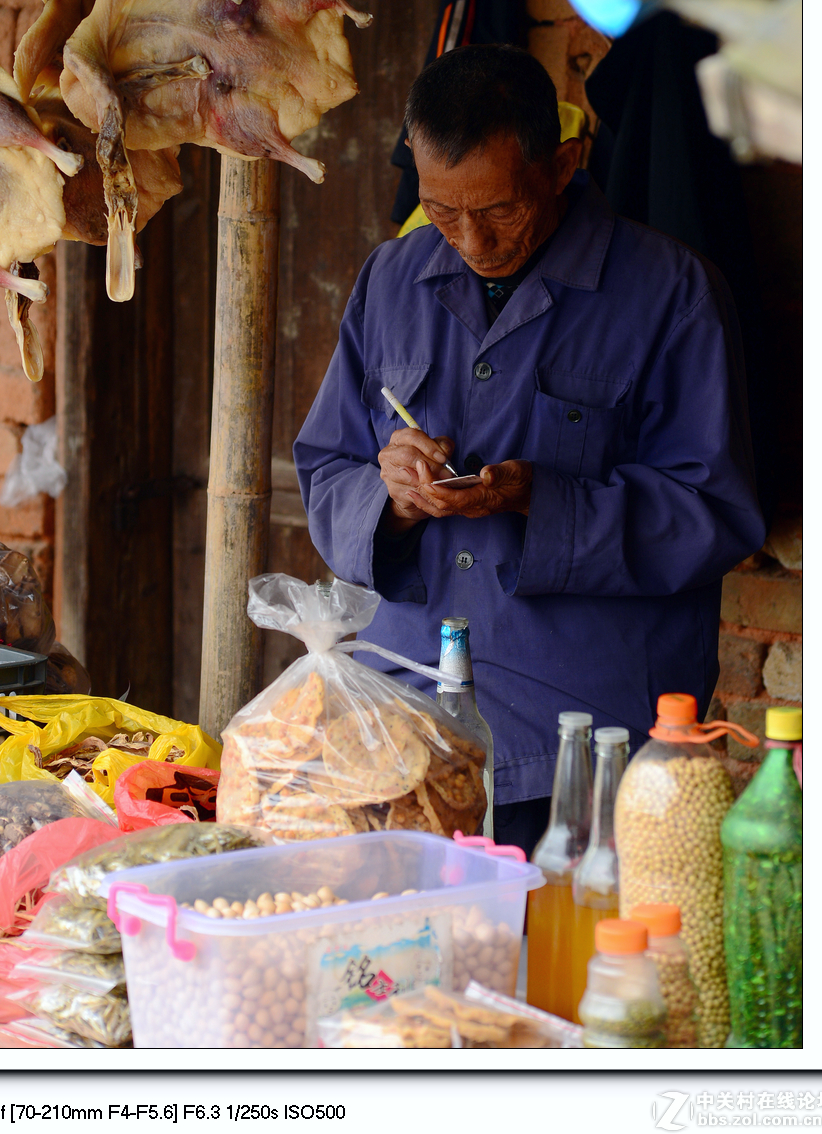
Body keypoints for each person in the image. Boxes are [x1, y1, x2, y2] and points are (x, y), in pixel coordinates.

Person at [293, 44, 766, 856]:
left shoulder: (670, 292)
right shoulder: (391, 280)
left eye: (499, 210)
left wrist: (535, 500)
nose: (471, 239)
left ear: (564, 164)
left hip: (584, 742)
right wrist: (392, 498)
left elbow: (714, 512)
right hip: (408, 729)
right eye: (443, 211)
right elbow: (327, 467)